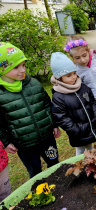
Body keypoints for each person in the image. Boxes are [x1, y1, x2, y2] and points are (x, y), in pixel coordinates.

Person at [0, 42, 60, 178]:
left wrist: (55, 124)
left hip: (47, 138)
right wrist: (5, 142)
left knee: (56, 166)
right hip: (25, 146)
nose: (23, 70)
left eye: (23, 65)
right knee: (35, 173)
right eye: (16, 67)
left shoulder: (34, 83)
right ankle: (41, 194)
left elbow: (47, 104)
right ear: (2, 69)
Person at [50, 52, 96, 155]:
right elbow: (60, 116)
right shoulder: (58, 96)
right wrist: (74, 129)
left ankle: (92, 165)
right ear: (59, 78)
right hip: (77, 132)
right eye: (68, 75)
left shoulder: (82, 87)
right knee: (81, 150)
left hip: (91, 125)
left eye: (74, 73)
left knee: (90, 147)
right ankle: (81, 166)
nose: (74, 77)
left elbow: (92, 102)